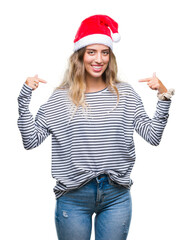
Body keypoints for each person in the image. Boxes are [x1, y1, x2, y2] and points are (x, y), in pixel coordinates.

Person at [17, 15, 174, 240]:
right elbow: (30, 141)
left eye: (105, 52)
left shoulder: (126, 95)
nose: (98, 59)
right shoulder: (61, 99)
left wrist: (163, 96)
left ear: (110, 56)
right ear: (80, 55)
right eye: (91, 52)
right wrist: (23, 99)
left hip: (116, 196)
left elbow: (153, 136)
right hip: (73, 197)